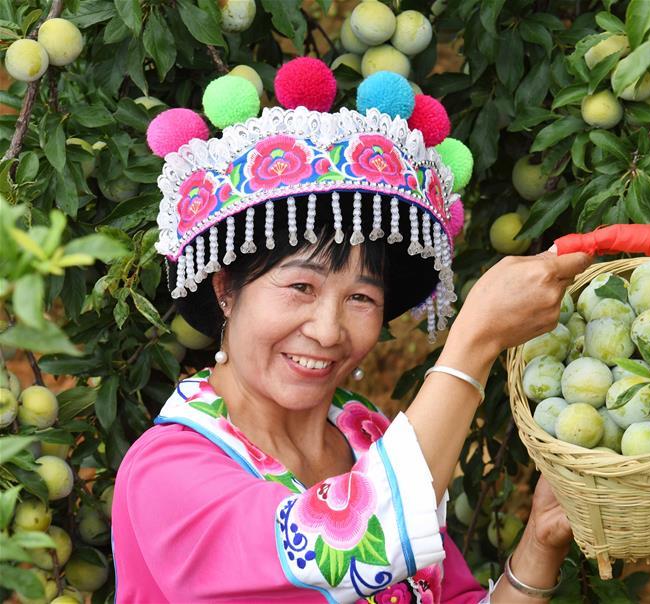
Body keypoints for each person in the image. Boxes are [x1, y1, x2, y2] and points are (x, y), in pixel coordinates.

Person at [111, 58, 592, 603]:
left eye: (361, 297)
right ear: (226, 289)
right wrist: (474, 339)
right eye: (301, 288)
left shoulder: (367, 435)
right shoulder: (168, 472)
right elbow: (361, 540)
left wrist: (538, 545)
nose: (327, 330)